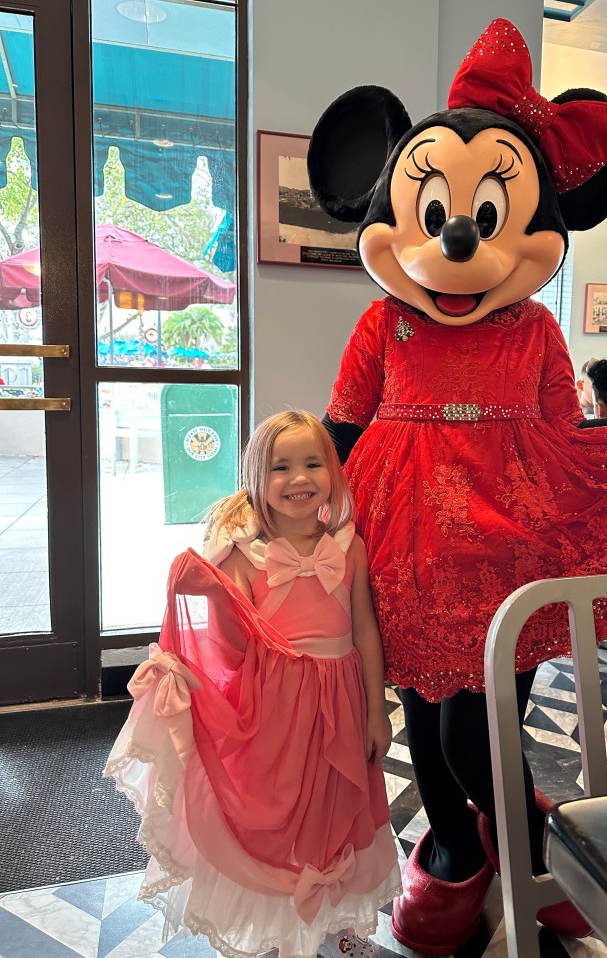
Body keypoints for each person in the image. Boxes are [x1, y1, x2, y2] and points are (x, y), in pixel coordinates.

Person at [308, 17, 607, 952]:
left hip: (507, 554)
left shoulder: (536, 332)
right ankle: (456, 849)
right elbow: (342, 429)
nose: (458, 238)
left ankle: (524, 843)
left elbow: (569, 442)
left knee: (479, 731)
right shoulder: (383, 325)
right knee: (425, 718)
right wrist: (277, 493)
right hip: (403, 554)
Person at [104, 410, 400, 958]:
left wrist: (377, 711)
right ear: (255, 479)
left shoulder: (350, 548)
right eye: (280, 467)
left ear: (333, 472)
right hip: (275, 711)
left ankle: (335, 924)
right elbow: (227, 645)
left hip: (341, 703)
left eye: (312, 463)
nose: (298, 478)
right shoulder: (243, 557)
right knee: (276, 813)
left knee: (335, 809)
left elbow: (365, 631)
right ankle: (275, 931)